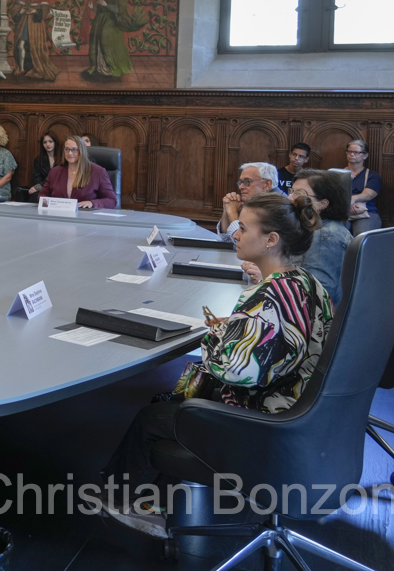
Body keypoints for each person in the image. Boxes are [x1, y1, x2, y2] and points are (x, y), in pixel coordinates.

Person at [101, 192, 332, 537]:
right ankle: (157, 502)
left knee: (153, 419)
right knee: (170, 406)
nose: (234, 233)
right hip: (303, 411)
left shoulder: (268, 298)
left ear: (271, 240)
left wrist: (217, 336)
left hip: (266, 421)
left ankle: (120, 503)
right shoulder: (307, 283)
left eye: (244, 227)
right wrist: (239, 325)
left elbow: (236, 370)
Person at [289, 169, 353, 307]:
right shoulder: (312, 229)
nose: (290, 198)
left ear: (322, 204)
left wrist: (270, 279)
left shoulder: (325, 237)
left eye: (298, 194)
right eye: (292, 192)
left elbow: (316, 296)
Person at [39, 136, 116, 208]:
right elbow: (42, 195)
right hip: (58, 217)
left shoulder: (98, 172)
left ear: (82, 151)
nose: (70, 153)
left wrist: (92, 203)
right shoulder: (55, 172)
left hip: (85, 218)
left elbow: (111, 200)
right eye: (67, 149)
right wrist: (49, 204)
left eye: (74, 149)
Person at [217, 162, 282, 239]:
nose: (240, 187)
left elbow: (243, 241)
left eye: (247, 182)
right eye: (241, 182)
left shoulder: (278, 206)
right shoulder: (258, 202)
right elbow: (225, 238)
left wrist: (232, 212)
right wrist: (227, 209)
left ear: (267, 184)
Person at [345, 140, 382, 236]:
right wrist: (348, 204)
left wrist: (353, 199)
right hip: (343, 210)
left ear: (365, 156)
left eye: (356, 152)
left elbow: (368, 194)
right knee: (336, 234)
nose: (352, 154)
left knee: (361, 235)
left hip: (366, 212)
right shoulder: (337, 173)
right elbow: (332, 193)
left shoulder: (372, 175)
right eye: (349, 152)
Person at [27, 130, 62, 197]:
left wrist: (40, 185)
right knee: (35, 195)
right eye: (45, 142)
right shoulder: (38, 160)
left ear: (55, 142)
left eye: (50, 142)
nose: (48, 144)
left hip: (59, 188)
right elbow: (36, 178)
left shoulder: (63, 159)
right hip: (44, 188)